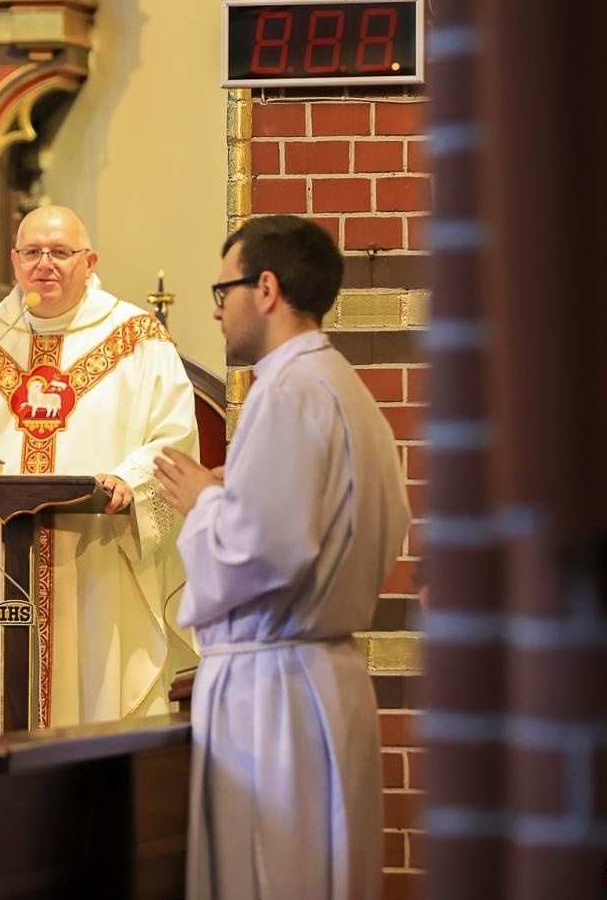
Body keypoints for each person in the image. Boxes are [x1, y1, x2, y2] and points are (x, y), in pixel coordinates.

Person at [152, 214, 410, 900]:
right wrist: (229, 497)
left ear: (264, 288)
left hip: (273, 690)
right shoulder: (342, 387)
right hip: (318, 675)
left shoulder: (288, 392)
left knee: (270, 877)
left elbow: (262, 550)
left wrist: (203, 504)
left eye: (222, 287)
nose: (216, 306)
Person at [0, 205, 199, 733]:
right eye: (33, 252)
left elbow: (172, 436)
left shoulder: (137, 338)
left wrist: (128, 479)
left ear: (90, 261)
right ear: (14, 261)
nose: (46, 265)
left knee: (98, 704)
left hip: (99, 559)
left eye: (61, 253)